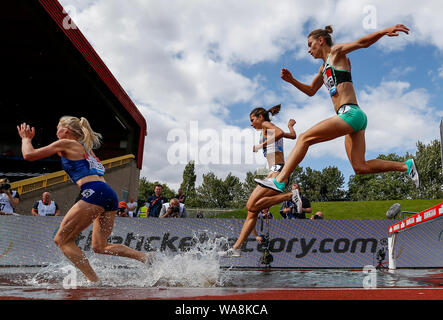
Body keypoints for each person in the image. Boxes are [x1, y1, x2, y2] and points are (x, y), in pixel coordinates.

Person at [255, 24, 419, 195]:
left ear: (321, 41)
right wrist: (292, 80)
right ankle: (404, 166)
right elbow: (311, 90)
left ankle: (280, 181)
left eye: (310, 45)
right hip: (354, 117)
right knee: (360, 167)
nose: (309, 50)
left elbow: (362, 43)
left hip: (350, 113)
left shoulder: (336, 52)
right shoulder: (323, 68)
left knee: (304, 138)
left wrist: (383, 31)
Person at [17, 117, 152, 283]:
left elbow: (29, 155)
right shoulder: (86, 149)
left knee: (62, 240)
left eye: (58, 128)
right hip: (108, 193)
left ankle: (94, 280)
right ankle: (144, 257)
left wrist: (26, 139)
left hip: (93, 191)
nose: (56, 132)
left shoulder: (66, 143)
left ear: (66, 129)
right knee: (100, 246)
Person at [219, 105, 297, 257]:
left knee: (250, 205)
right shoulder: (267, 129)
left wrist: (261, 145)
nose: (251, 123)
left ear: (260, 117)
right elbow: (292, 136)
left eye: (252, 119)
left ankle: (290, 196)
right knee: (251, 211)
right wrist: (290, 126)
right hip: (274, 172)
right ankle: (237, 248)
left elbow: (280, 133)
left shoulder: (267, 126)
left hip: (277, 172)